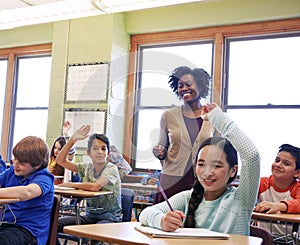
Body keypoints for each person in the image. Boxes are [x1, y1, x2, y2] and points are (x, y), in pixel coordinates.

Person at [139, 104, 260, 236]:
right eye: (201, 164)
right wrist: (162, 220)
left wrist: (217, 117)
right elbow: (145, 214)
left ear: (233, 170)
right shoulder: (187, 198)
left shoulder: (241, 199)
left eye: (217, 166)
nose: (207, 172)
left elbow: (252, 156)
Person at [152, 66, 215, 204]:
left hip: (203, 180)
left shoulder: (213, 115)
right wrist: (159, 152)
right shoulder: (168, 116)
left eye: (189, 84)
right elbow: (162, 148)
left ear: (200, 86)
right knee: (167, 220)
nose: (184, 88)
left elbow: (220, 151)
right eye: (180, 85)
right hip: (171, 180)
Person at [56, 125, 122, 233]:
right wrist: (73, 139)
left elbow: (96, 186)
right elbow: (60, 161)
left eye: (103, 148)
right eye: (95, 148)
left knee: (95, 232)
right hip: (90, 217)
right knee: (55, 224)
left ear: (108, 153)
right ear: (88, 153)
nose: (100, 152)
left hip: (109, 218)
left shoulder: (111, 168)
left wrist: (71, 184)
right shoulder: (86, 168)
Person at [0, 136, 54, 245]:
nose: (15, 164)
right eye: (14, 159)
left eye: (22, 163)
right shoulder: (12, 172)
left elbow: (27, 192)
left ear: (37, 165)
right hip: (6, 225)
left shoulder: (44, 178)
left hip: (29, 232)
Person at [253, 144, 300, 236]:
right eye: (277, 160)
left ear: (297, 172)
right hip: (263, 237)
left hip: (290, 239)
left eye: (286, 163)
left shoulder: (297, 187)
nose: (278, 165)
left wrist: (280, 206)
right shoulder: (261, 183)